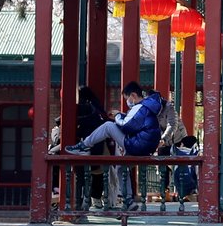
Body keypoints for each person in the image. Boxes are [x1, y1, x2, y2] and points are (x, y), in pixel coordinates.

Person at [64, 81, 164, 210]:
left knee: (108, 126)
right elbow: (133, 122)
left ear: (133, 95)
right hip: (145, 146)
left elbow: (126, 125)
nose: (128, 101)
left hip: (138, 145)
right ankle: (128, 201)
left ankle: (83, 145)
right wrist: (120, 115)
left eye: (127, 98)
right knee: (122, 168)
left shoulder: (140, 107)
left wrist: (117, 116)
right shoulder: (148, 107)